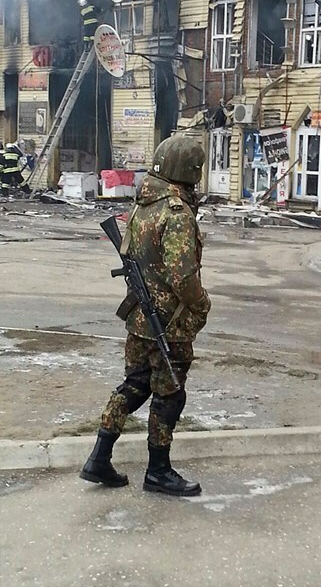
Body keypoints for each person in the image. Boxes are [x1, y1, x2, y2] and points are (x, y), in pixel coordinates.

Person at [80, 135, 211, 496]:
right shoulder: (176, 213)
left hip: (140, 316)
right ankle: (158, 471)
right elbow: (182, 276)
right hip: (168, 322)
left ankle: (99, 457)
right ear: (189, 171)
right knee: (170, 394)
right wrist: (202, 305)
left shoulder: (143, 205)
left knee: (134, 385)